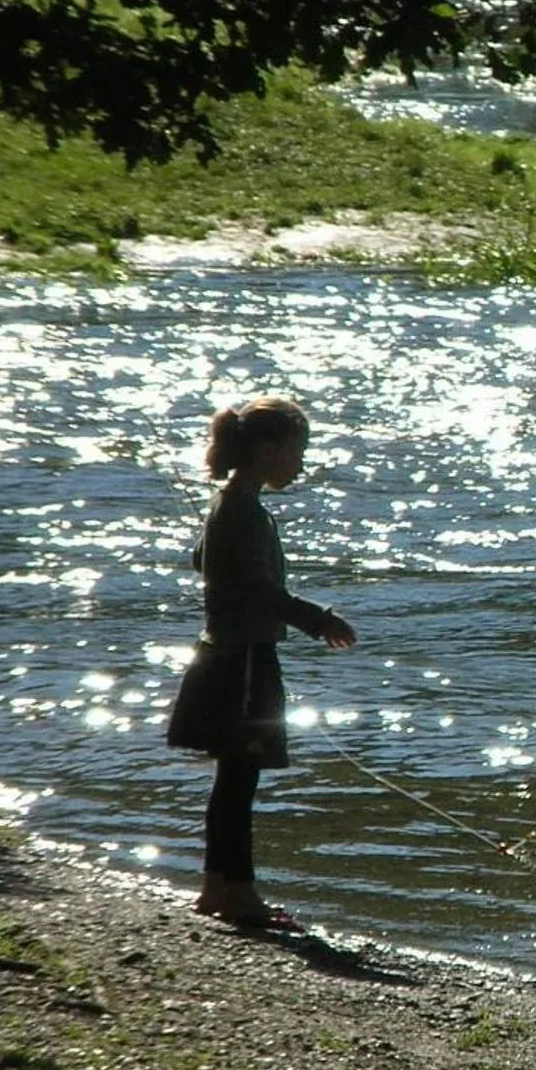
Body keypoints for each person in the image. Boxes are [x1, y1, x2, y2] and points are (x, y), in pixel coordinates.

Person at [164, 396, 355, 928]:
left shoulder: (230, 506)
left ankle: (215, 887)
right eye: (299, 452)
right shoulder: (243, 512)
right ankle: (239, 895)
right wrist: (319, 620)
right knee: (239, 781)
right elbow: (256, 589)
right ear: (268, 450)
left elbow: (204, 561)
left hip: (221, 655)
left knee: (232, 779)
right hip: (243, 660)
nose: (301, 464)